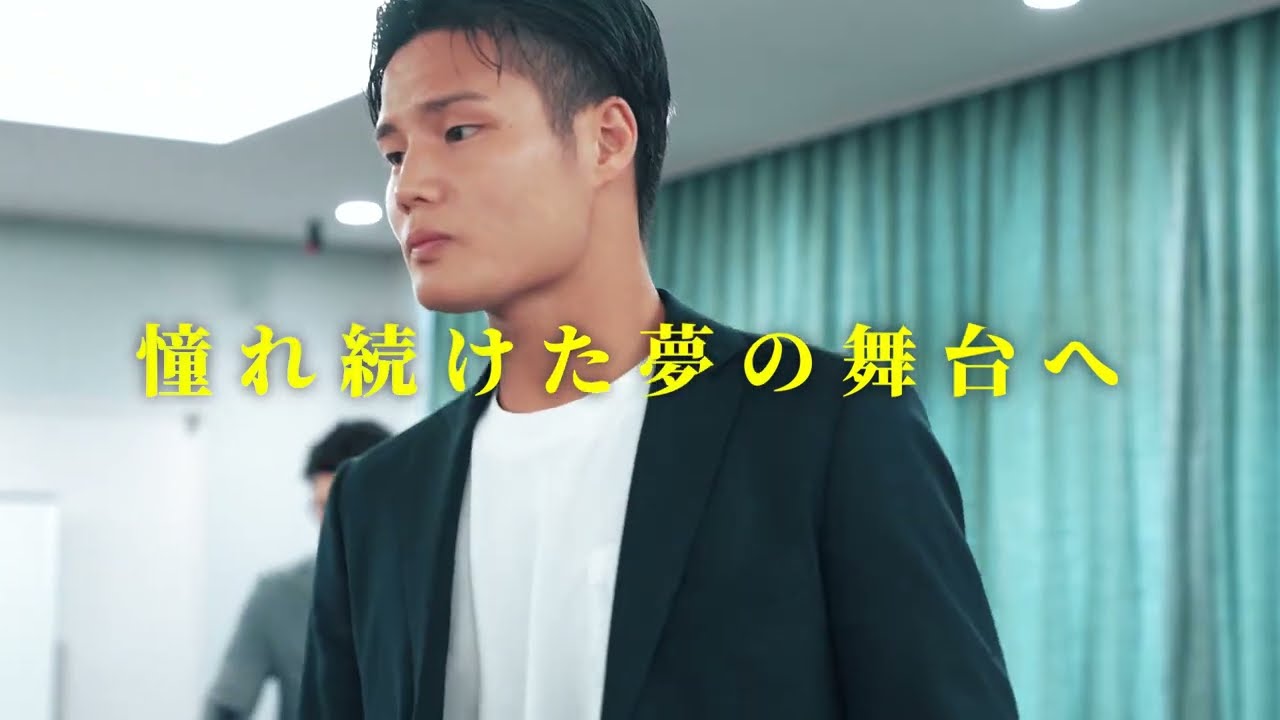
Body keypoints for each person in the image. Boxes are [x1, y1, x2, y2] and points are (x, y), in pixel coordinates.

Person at [301, 0, 1021, 718]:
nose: (409, 187)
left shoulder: (825, 429)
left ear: (607, 139)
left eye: (459, 131)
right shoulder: (375, 502)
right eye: (395, 155)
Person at [204, 420, 391, 720]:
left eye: (345, 505)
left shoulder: (436, 594)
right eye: (322, 507)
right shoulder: (278, 596)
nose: (331, 524)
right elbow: (225, 709)